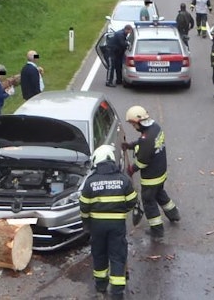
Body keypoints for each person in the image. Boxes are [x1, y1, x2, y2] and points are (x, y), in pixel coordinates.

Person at [79, 145, 138, 298]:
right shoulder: (123, 179)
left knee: (99, 254)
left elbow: (84, 206)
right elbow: (132, 201)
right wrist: (121, 211)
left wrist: (86, 223)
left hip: (97, 226)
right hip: (117, 225)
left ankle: (101, 286)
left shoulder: (90, 181)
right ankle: (117, 292)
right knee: (117, 256)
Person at [121, 105, 181, 238]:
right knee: (159, 193)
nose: (133, 127)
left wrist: (131, 170)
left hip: (151, 178)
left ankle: (157, 230)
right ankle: (173, 214)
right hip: (161, 172)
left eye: (133, 124)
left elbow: (142, 161)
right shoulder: (155, 128)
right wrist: (131, 145)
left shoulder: (146, 139)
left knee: (149, 201)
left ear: (138, 122)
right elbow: (145, 142)